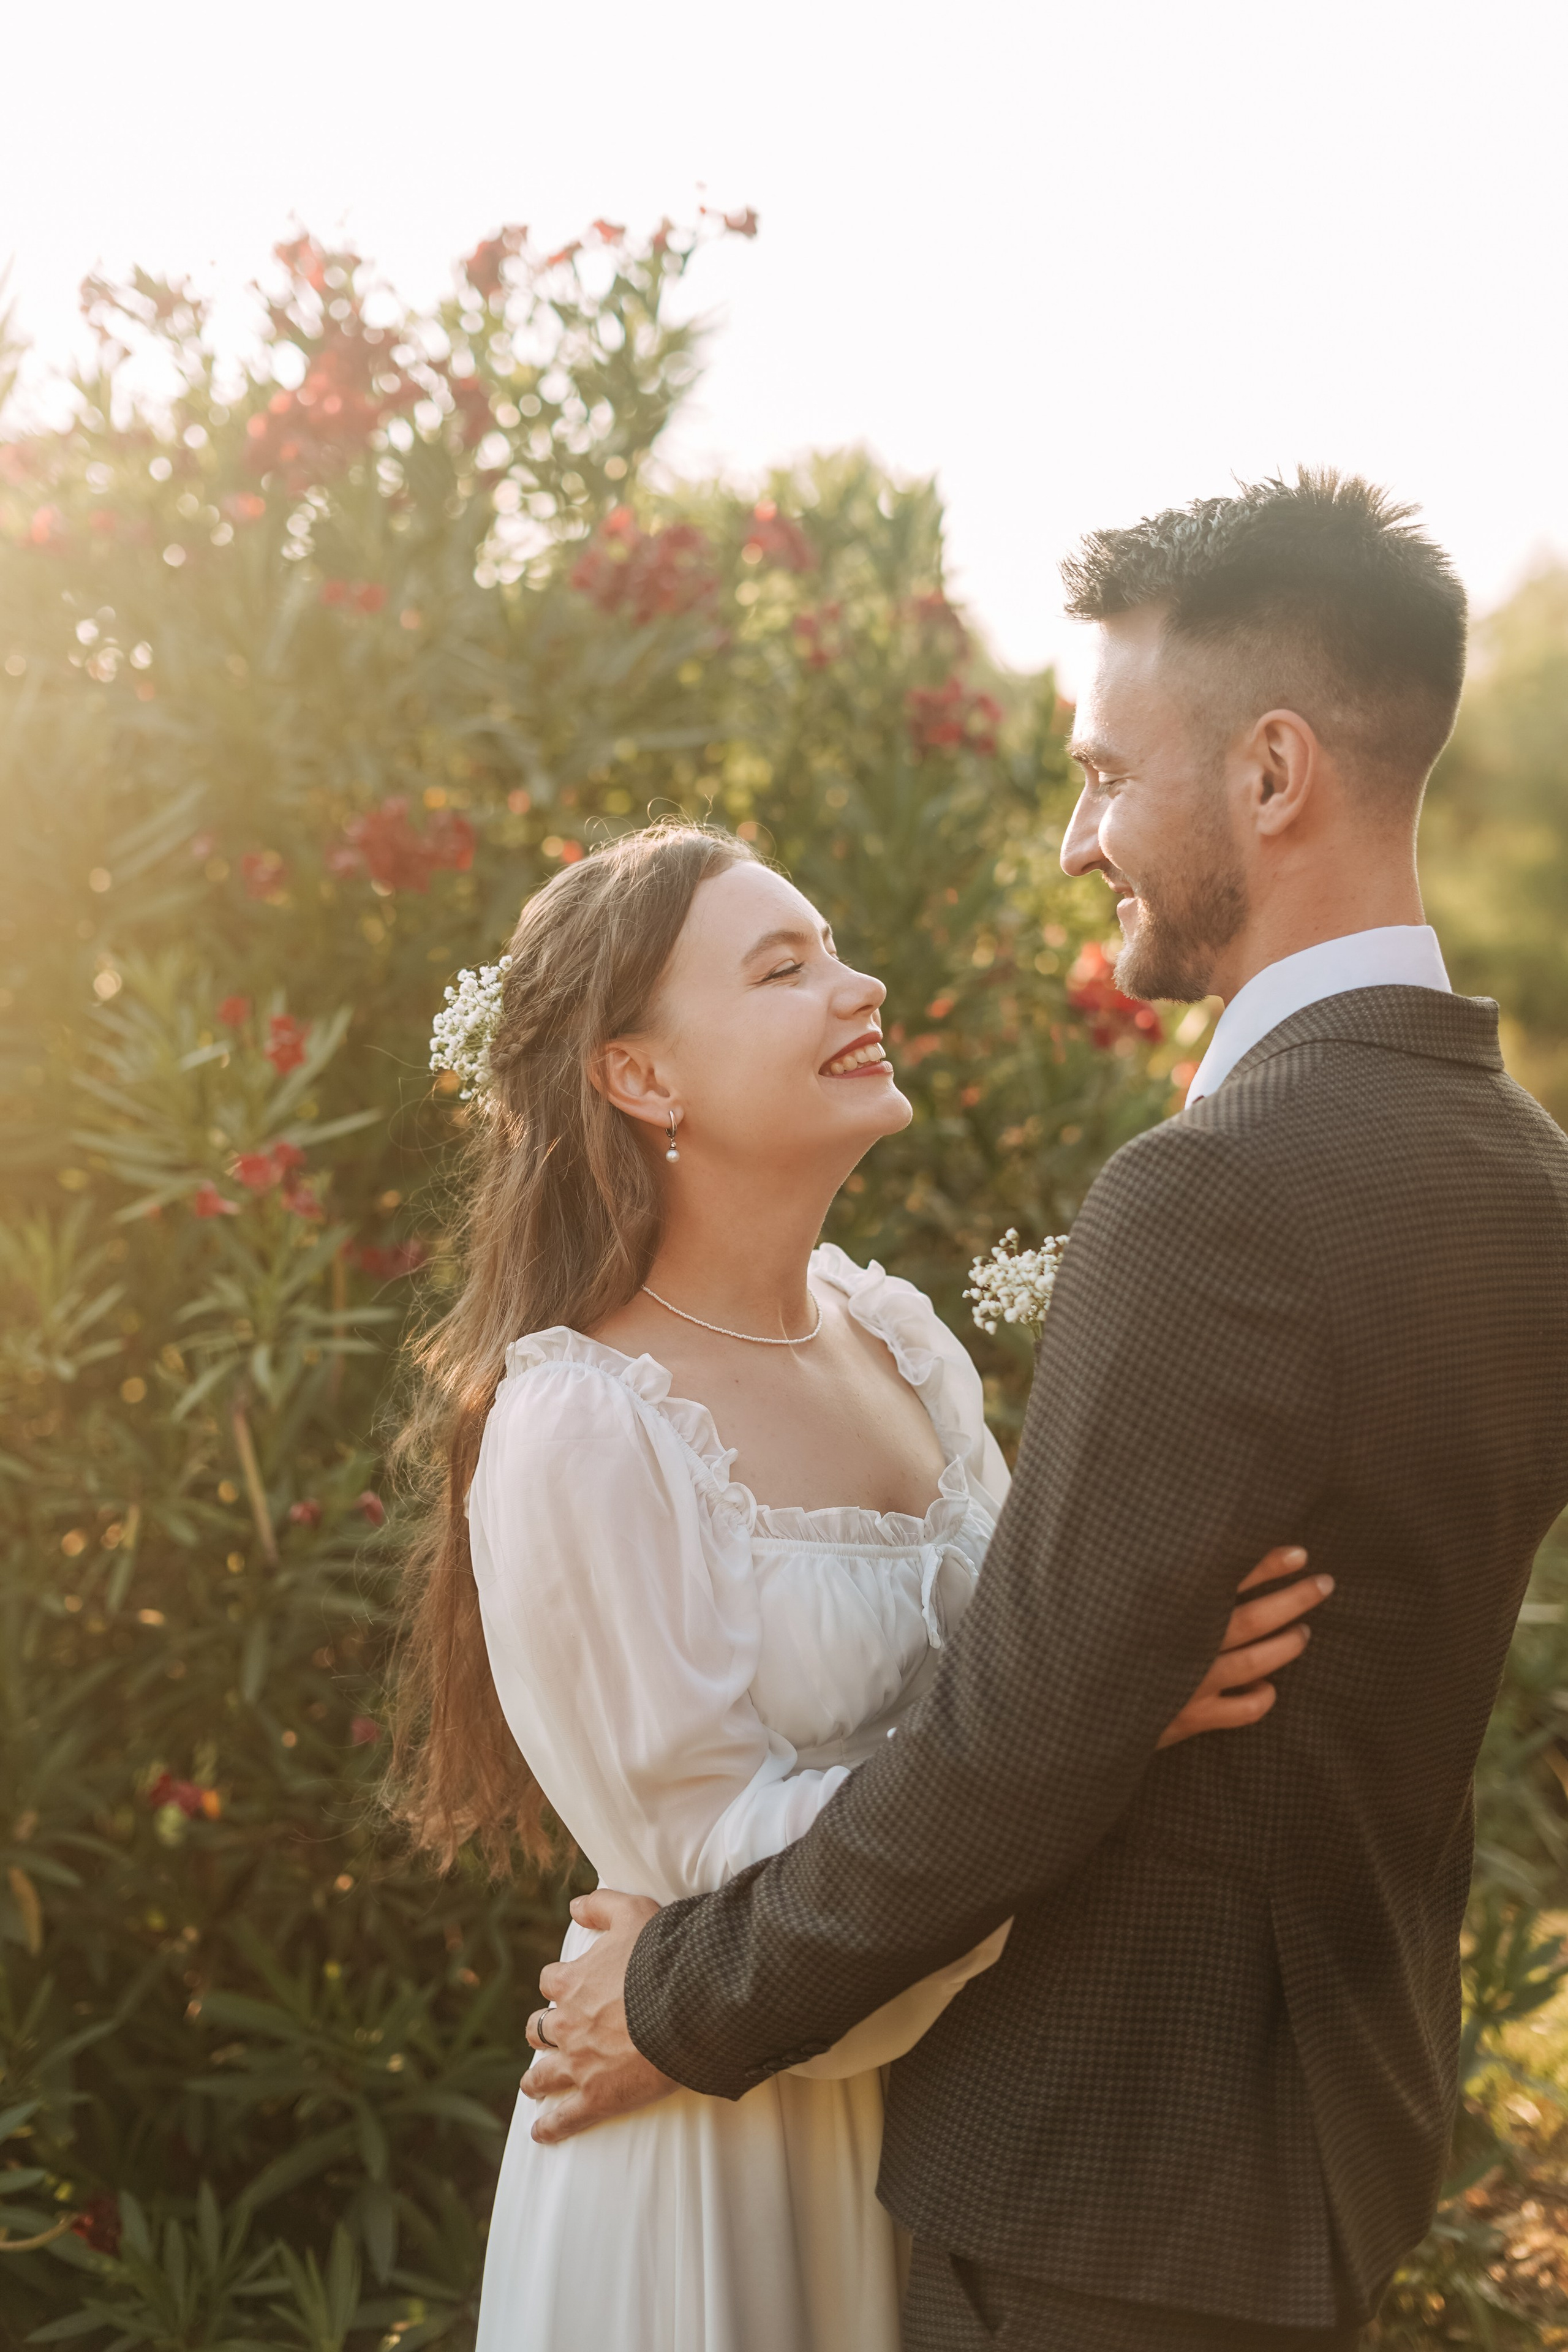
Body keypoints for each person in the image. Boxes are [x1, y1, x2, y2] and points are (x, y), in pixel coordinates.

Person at [524, 475, 1568, 2352]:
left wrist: (675, 2002)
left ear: (1271, 775)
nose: (1083, 840)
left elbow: (1020, 1741)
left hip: (1109, 2194)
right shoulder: (1527, 1181)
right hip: (1326, 2153)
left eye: (1106, 773)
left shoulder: (1215, 1196)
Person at [391, 818, 1329, 2352]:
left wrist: (1111, 1690)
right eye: (783, 967)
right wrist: (1103, 1720)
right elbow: (711, 1871)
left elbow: (1031, 1673)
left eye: (831, 947)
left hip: (968, 2128)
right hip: (718, 2147)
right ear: (639, 1077)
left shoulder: (896, 1336)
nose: (858, 983)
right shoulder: (580, 1422)